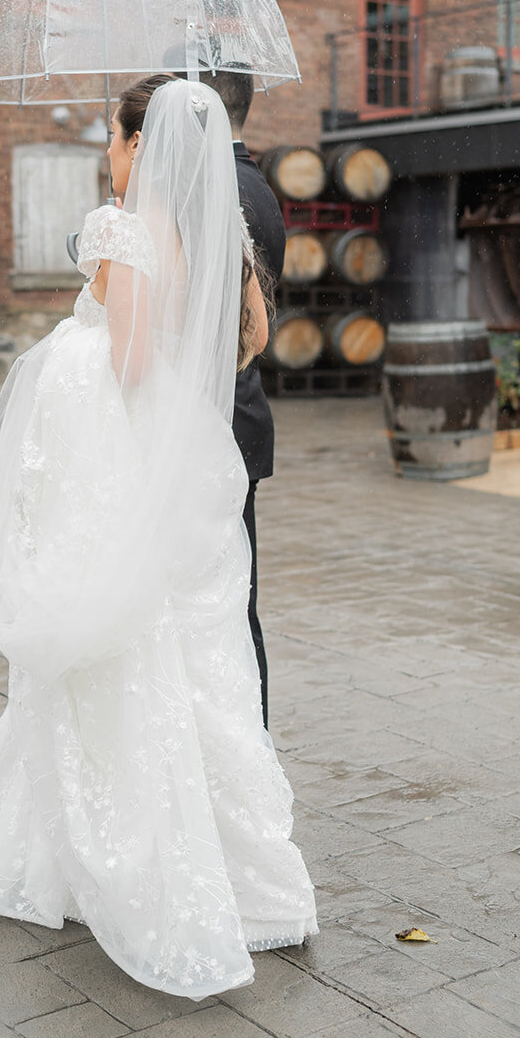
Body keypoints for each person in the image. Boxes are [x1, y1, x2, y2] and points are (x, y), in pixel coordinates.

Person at [0, 77, 317, 999]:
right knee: (194, 656)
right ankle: (247, 875)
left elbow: (127, 361)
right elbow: (248, 339)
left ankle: (122, 860)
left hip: (127, 464)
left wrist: (73, 344)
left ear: (140, 146)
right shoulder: (222, 238)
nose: (106, 150)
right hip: (192, 455)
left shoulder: (122, 229)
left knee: (119, 653)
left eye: (112, 136)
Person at [201, 68, 286, 732]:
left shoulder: (212, 190)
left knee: (227, 599)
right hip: (243, 409)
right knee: (234, 593)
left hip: (214, 418)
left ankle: (245, 743)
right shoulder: (256, 184)